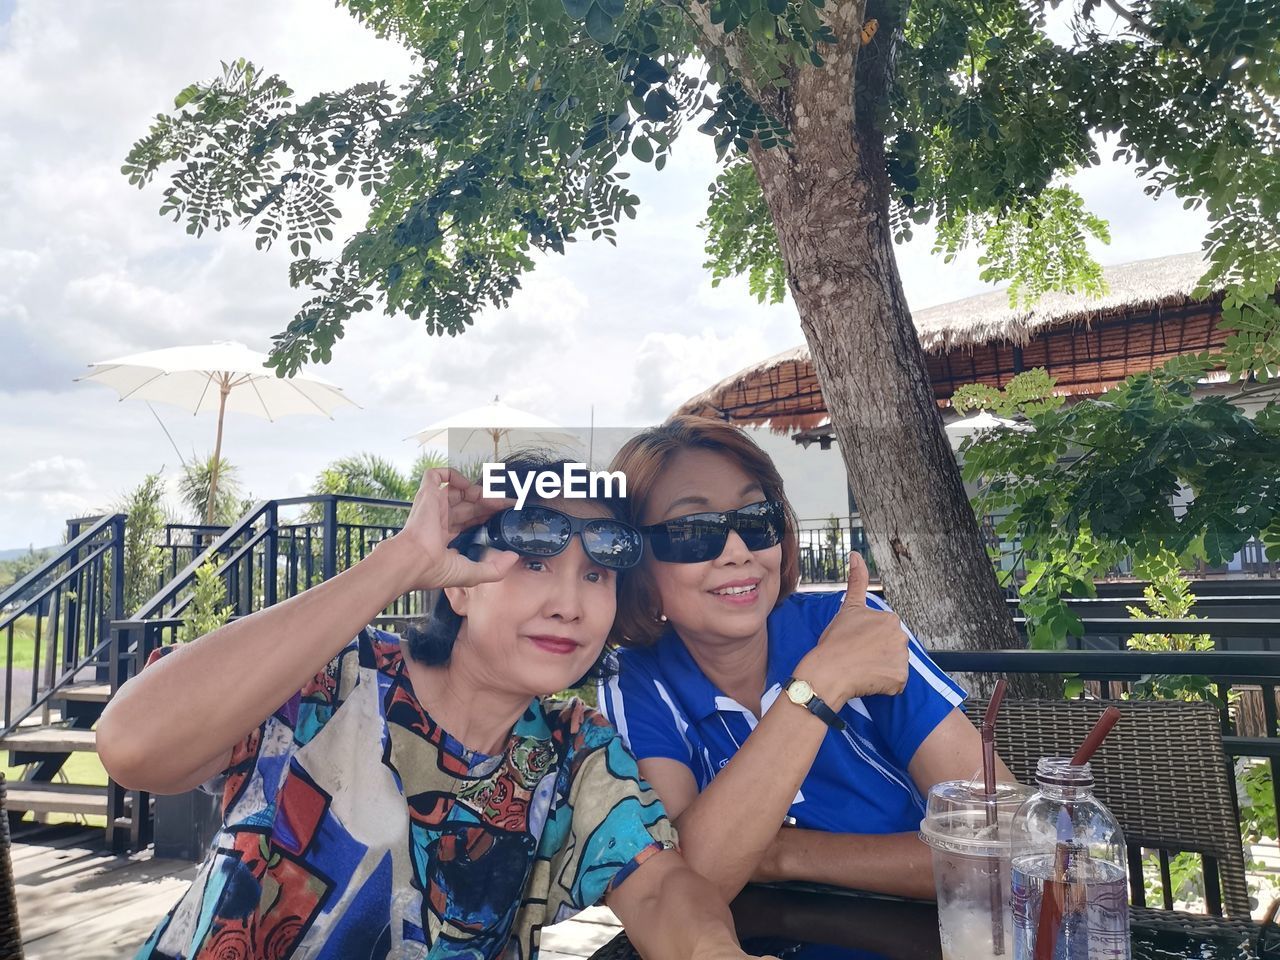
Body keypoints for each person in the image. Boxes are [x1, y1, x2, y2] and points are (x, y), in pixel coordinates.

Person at [97, 457, 765, 960]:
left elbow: (658, 888)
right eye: (534, 563)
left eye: (597, 574)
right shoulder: (333, 678)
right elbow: (132, 746)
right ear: (463, 587)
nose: (570, 602)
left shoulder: (574, 753)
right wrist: (400, 561)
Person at [598, 417, 1013, 902]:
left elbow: (1001, 844)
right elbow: (684, 886)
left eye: (756, 520)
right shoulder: (638, 680)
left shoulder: (848, 628)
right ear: (634, 562)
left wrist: (783, 854)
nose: (738, 551)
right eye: (692, 531)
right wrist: (821, 684)